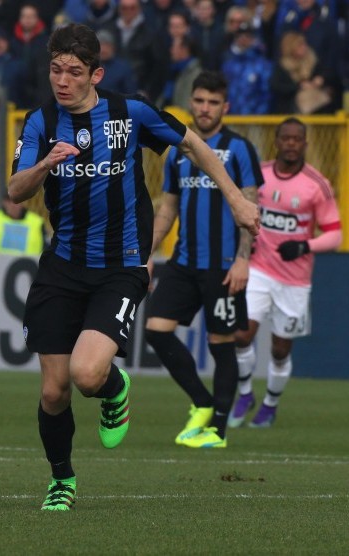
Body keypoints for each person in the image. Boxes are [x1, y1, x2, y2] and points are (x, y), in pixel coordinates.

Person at [9, 24, 259, 511]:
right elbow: (16, 191)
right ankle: (62, 479)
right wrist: (45, 165)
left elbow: (194, 144)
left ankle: (114, 385)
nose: (62, 80)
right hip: (61, 266)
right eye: (56, 69)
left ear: (95, 74)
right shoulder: (40, 121)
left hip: (121, 265)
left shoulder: (130, 112)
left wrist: (234, 199)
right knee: (54, 390)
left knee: (86, 374)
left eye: (74, 72)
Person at [144, 71, 263, 450]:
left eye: (213, 102)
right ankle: (203, 402)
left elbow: (249, 206)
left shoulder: (239, 149)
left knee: (221, 342)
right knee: (155, 330)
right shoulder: (179, 150)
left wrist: (243, 260)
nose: (205, 108)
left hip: (223, 263)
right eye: (199, 101)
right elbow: (169, 209)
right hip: (183, 261)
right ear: (191, 102)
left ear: (225, 107)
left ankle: (219, 430)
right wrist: (148, 254)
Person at [229, 118, 342, 428]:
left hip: (295, 280)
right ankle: (244, 393)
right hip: (259, 270)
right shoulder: (260, 176)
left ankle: (270, 404)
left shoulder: (316, 185)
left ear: (305, 143)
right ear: (276, 141)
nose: (291, 143)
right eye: (286, 138)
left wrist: (305, 246)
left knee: (280, 349)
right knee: (241, 333)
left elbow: (335, 234)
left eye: (297, 139)